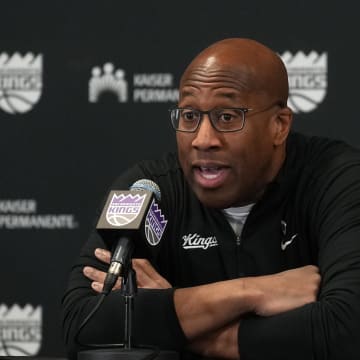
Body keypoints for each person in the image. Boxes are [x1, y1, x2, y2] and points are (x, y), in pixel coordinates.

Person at [62, 38, 360, 360]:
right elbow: (81, 323)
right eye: (190, 116)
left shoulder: (336, 179)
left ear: (279, 126)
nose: (203, 140)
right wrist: (250, 292)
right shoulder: (150, 189)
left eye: (228, 117)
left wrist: (174, 320)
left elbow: (345, 330)